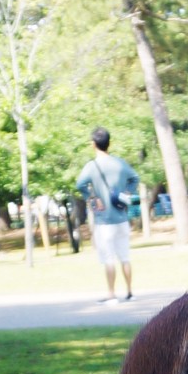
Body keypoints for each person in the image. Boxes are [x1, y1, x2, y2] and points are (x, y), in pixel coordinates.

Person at [76, 127, 139, 304]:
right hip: (122, 217)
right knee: (125, 257)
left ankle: (111, 294)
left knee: (109, 258)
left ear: (94, 144)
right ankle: (130, 292)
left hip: (104, 220)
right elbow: (135, 177)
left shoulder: (92, 166)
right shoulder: (120, 163)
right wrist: (126, 193)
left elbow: (80, 184)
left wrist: (92, 197)